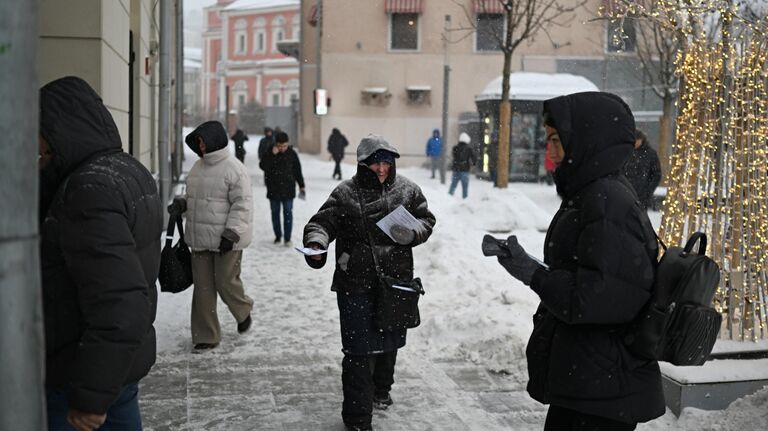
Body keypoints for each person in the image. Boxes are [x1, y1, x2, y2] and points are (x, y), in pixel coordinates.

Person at [488, 92, 664, 430]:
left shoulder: (606, 200)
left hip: (602, 389)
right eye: (548, 139)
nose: (549, 150)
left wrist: (535, 274)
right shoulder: (591, 194)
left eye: (557, 140)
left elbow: (596, 299)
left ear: (586, 139)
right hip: (589, 380)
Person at [39, 76, 162, 430]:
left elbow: (120, 301)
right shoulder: (126, 169)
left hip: (80, 371)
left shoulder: (88, 189)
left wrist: (91, 395)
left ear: (58, 132)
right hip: (113, 365)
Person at [303, 135, 436, 431]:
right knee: (357, 351)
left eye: (386, 162)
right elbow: (320, 224)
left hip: (395, 282)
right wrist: (316, 243)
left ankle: (382, 390)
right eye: (376, 162)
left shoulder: (408, 190)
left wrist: (413, 233)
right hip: (355, 283)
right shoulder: (345, 193)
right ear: (363, 164)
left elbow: (427, 220)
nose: (381, 168)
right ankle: (357, 419)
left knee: (390, 343)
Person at [170, 120, 254, 352]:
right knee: (203, 289)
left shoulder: (234, 168)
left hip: (227, 239)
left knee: (226, 282)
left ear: (214, 140)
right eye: (198, 143)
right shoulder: (197, 168)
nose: (201, 146)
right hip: (200, 238)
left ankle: (243, 310)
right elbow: (195, 200)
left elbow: (242, 204)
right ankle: (206, 335)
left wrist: (232, 232)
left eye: (203, 141)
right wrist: (182, 204)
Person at [259, 131, 305, 246]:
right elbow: (263, 166)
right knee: (275, 213)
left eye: (284, 146)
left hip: (288, 189)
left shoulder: (292, 154)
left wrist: (301, 185)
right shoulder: (270, 152)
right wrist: (272, 155)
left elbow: (297, 170)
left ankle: (288, 238)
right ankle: (278, 236)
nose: (282, 148)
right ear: (276, 144)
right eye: (280, 146)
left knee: (288, 213)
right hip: (273, 189)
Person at [622, 129, 662, 210]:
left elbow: (656, 174)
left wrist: (648, 191)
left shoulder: (650, 153)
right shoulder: (626, 152)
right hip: (626, 192)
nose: (635, 143)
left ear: (641, 140)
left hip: (642, 195)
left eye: (637, 140)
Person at [448, 132, 476, 199]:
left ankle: (448, 197)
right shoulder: (469, 149)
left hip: (456, 169)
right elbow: (474, 158)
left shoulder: (455, 148)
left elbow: (453, 156)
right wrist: (473, 164)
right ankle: (465, 198)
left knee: (453, 185)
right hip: (465, 170)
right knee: (465, 187)